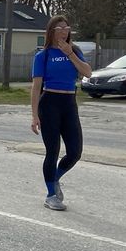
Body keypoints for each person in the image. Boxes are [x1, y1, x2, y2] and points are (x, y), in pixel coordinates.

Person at [30, 15, 91, 211]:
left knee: (75, 152)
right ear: (52, 32)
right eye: (59, 28)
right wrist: (34, 115)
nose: (64, 31)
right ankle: (51, 195)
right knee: (53, 151)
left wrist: (70, 53)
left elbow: (87, 72)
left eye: (66, 28)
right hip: (49, 103)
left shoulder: (75, 51)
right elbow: (36, 87)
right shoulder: (43, 55)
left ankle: (54, 178)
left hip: (69, 103)